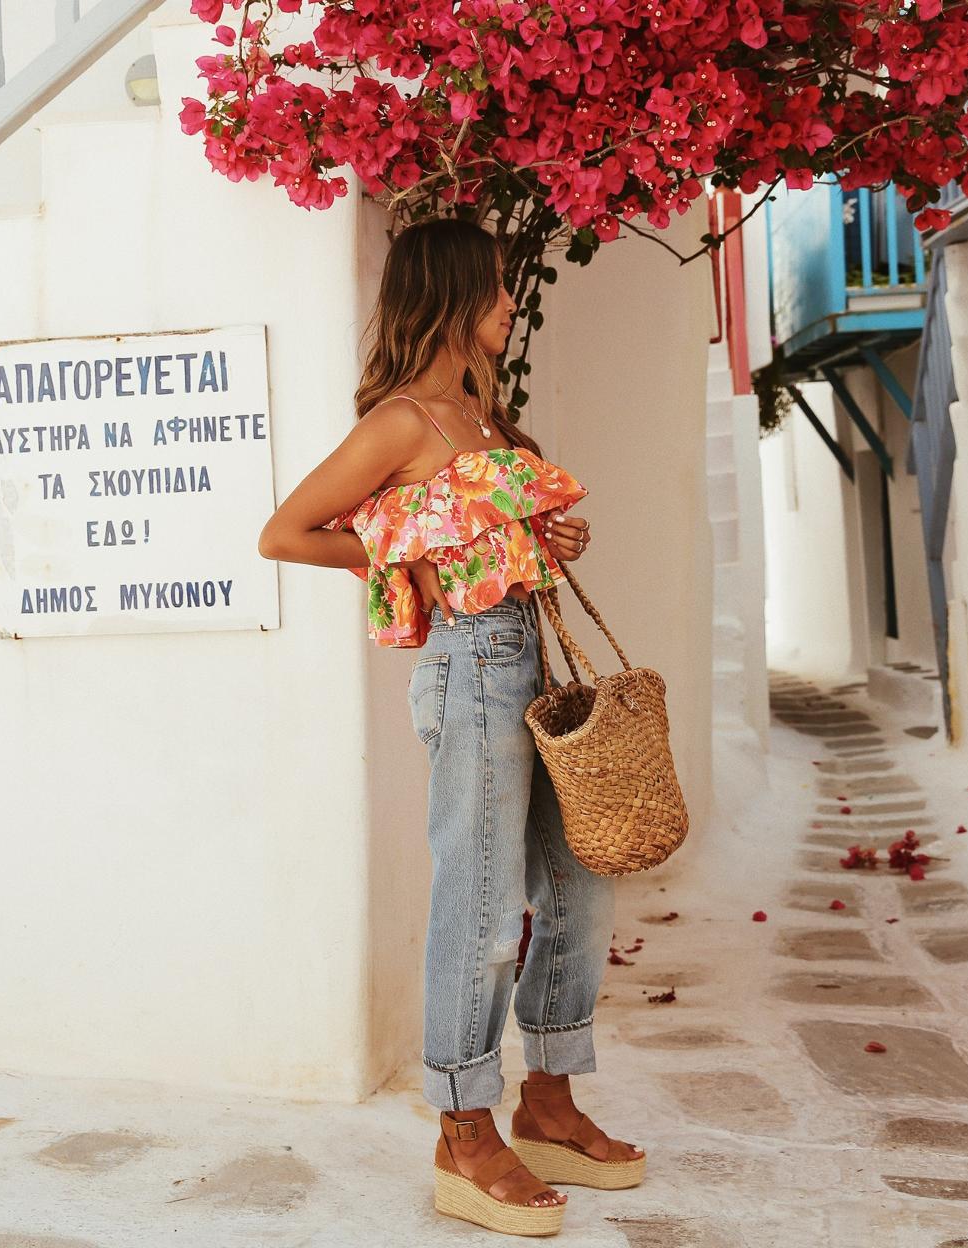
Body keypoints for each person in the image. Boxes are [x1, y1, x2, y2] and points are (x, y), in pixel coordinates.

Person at [257, 217, 644, 1236]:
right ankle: (464, 1128)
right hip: (470, 667)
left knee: (577, 878)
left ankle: (551, 1099)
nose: (511, 307)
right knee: (480, 903)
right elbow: (284, 531)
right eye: (500, 290)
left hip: (527, 653)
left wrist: (553, 535)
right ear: (457, 294)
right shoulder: (401, 423)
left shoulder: (484, 420)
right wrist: (404, 565)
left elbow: (501, 537)